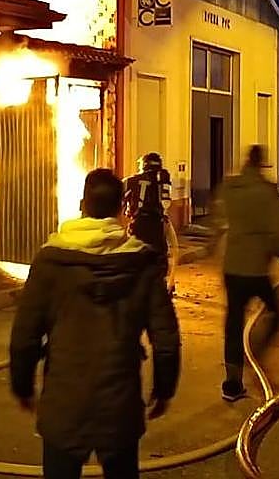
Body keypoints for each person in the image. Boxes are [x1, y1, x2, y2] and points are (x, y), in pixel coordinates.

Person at [10, 168, 180, 479]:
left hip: (64, 402)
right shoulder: (141, 262)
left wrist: (22, 387)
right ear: (121, 209)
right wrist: (164, 389)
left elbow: (25, 334)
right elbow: (166, 336)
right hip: (120, 404)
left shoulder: (50, 262)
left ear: (81, 205)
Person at [211, 145, 279, 402]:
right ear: (262, 163)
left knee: (234, 321)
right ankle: (256, 352)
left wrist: (214, 247)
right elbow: (278, 230)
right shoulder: (266, 192)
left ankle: (232, 382)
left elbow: (219, 220)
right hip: (256, 267)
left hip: (232, 265)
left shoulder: (230, 188)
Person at [124, 152, 180, 294]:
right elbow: (166, 203)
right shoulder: (162, 177)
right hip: (157, 222)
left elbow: (121, 199)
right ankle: (170, 284)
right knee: (173, 249)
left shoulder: (131, 180)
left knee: (132, 253)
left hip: (137, 222)